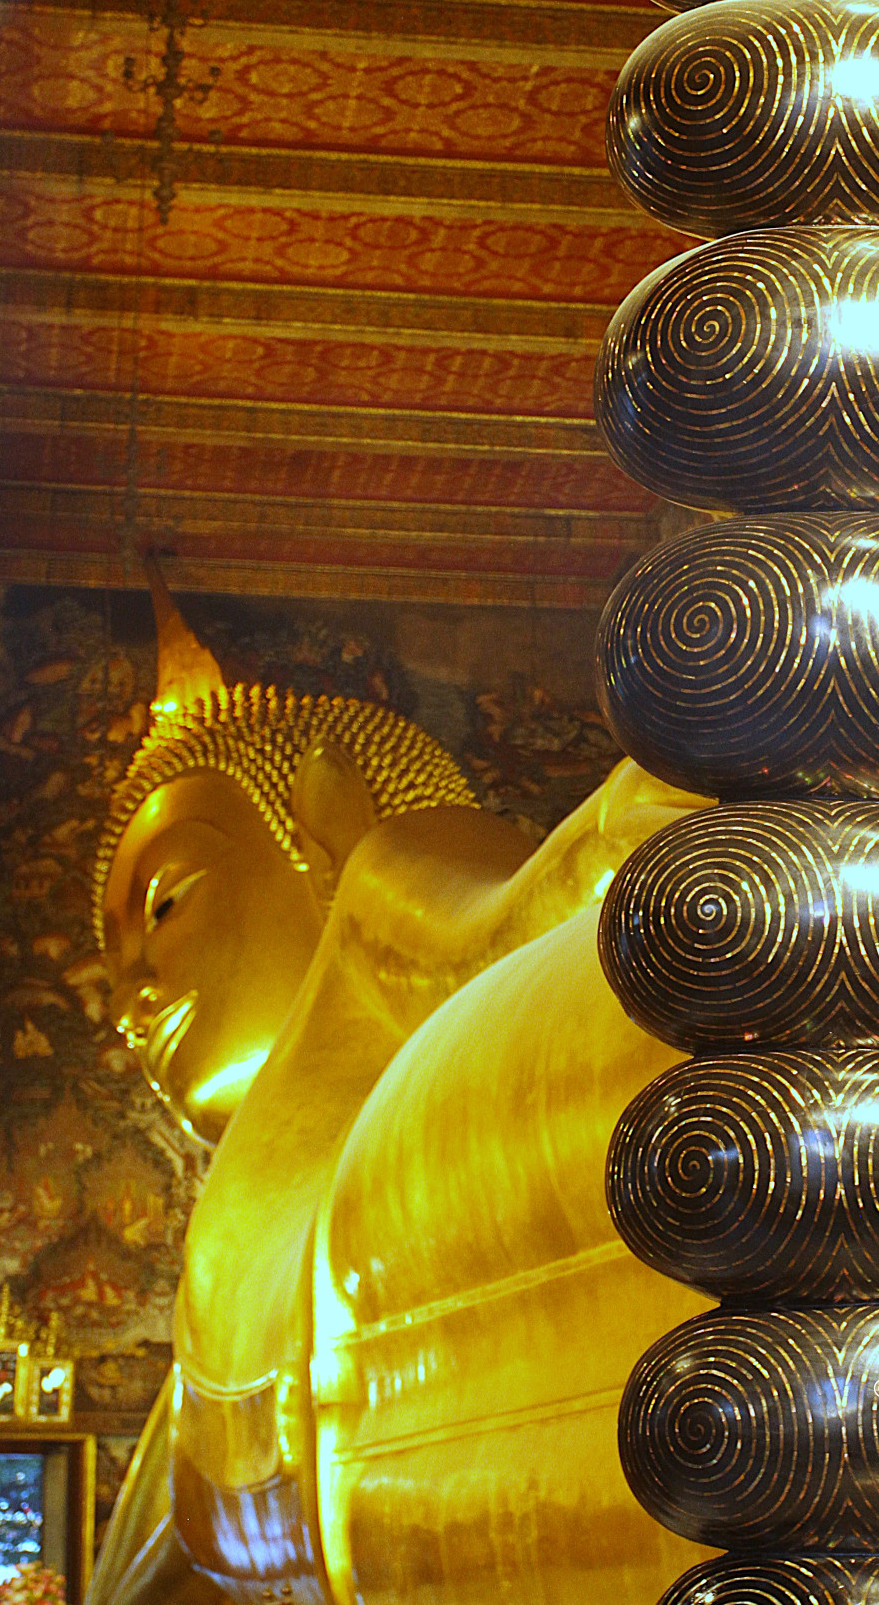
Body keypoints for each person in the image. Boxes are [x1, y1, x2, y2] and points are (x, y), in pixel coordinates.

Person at [88, 566, 712, 1605]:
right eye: (111, 973)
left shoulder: (388, 872)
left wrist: (638, 833)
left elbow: (516, 916)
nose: (135, 993)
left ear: (322, 824)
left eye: (164, 904)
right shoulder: (248, 1229)